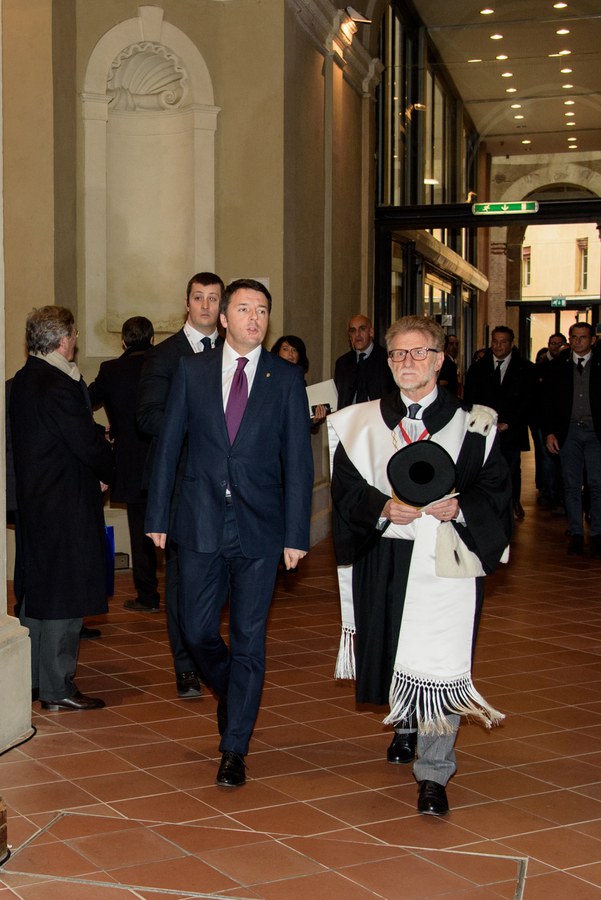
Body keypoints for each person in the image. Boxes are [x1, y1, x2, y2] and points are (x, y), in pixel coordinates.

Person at [329, 315, 512, 816]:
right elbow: (346, 488)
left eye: (418, 352)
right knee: (393, 647)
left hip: (447, 559)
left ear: (439, 360)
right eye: (397, 354)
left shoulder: (474, 424)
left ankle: (434, 772)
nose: (407, 362)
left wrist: (462, 508)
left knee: (440, 658)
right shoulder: (360, 422)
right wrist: (382, 508)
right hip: (385, 551)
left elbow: (496, 488)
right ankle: (406, 724)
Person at [145, 278, 314, 788]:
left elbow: (298, 462)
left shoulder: (285, 379)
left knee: (248, 640)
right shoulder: (193, 371)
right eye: (243, 309)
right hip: (199, 522)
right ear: (223, 318)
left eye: (261, 310)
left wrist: (297, 533)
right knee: (196, 631)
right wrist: (157, 515)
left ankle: (234, 746)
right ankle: (234, 691)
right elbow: (169, 445)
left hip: (260, 530)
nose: (254, 318)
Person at [9, 306, 114, 711]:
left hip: (37, 502)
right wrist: (108, 468)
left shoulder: (23, 379)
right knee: (65, 595)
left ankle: (34, 680)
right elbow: (85, 443)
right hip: (65, 503)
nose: (75, 342)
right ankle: (58, 687)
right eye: (74, 334)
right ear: (63, 339)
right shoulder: (58, 383)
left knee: (38, 592)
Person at [137, 272, 224, 700]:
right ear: (187, 303)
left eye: (213, 298)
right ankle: (186, 665)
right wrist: (199, 427)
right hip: (181, 485)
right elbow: (147, 416)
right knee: (182, 579)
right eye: (198, 298)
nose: (205, 305)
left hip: (228, 486)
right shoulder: (165, 355)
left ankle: (213, 652)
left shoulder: (235, 354)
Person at [88, 317, 159, 612]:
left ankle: (148, 595)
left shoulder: (111, 370)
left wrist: (103, 432)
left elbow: (83, 402)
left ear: (124, 342)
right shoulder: (166, 363)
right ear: (152, 339)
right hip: (166, 456)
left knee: (140, 530)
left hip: (130, 461)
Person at [464, 326, 536, 520]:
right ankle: (487, 504)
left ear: (511, 344)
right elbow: (470, 399)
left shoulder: (525, 368)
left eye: (503, 342)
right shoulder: (478, 368)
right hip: (483, 429)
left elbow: (528, 401)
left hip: (511, 428)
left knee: (511, 468)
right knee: (484, 468)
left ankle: (513, 502)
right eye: (495, 341)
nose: (498, 345)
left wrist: (508, 422)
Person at [543, 321, 601, 557]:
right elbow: (547, 403)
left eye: (583, 337)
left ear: (592, 340)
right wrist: (549, 432)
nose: (578, 341)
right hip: (568, 432)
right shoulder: (558, 367)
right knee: (571, 484)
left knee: (597, 483)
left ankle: (597, 534)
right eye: (574, 337)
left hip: (596, 432)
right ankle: (576, 532)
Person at [334, 314, 395, 408]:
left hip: (378, 414)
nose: (357, 334)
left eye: (362, 329)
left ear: (371, 332)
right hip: (350, 415)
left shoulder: (387, 359)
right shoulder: (342, 363)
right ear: (350, 336)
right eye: (353, 330)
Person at [271, 334, 327, 427]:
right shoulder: (268, 379)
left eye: (294, 350)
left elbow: (300, 418)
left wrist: (314, 420)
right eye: (285, 349)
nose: (290, 354)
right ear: (277, 353)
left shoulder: (300, 382)